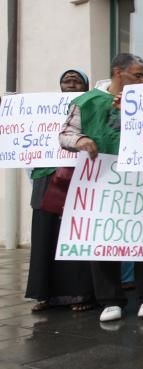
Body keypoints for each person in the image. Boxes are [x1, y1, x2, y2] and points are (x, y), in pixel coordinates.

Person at [58, 53, 143, 324]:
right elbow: (65, 134)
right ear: (119, 73)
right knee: (102, 237)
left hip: (140, 177)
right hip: (102, 179)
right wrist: (81, 140)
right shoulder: (87, 102)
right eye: (138, 75)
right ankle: (109, 300)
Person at [25, 69, 96, 313]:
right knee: (45, 235)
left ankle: (80, 293)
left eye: (77, 80)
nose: (72, 83)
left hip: (79, 178)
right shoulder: (41, 109)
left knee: (75, 235)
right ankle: (45, 295)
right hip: (46, 177)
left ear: (86, 86)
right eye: (67, 80)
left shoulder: (90, 107)